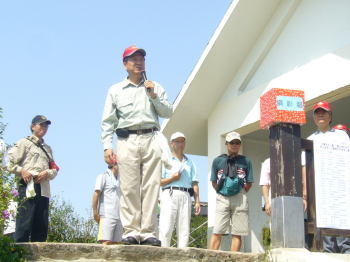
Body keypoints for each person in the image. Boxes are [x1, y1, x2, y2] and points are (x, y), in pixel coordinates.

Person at [101, 45, 173, 246]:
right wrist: (107, 146)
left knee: (151, 186)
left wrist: (153, 96)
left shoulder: (154, 86)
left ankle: (148, 232)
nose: (139, 62)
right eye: (133, 59)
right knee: (129, 186)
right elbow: (108, 121)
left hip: (151, 138)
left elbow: (168, 112)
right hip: (127, 139)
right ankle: (131, 231)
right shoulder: (115, 90)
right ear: (125, 64)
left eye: (141, 59)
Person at [302, 101, 350, 254]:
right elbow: (304, 167)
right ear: (314, 117)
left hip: (341, 188)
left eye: (324, 112)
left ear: (330, 117)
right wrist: (305, 192)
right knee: (324, 229)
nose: (320, 115)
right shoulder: (310, 139)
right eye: (317, 112)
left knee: (343, 224)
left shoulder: (342, 135)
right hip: (320, 191)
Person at [8, 115, 58, 242]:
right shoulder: (24, 142)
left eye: (46, 125)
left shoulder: (47, 149)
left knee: (41, 225)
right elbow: (7, 162)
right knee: (24, 222)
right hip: (27, 186)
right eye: (41, 124)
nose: (44, 128)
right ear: (33, 126)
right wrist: (22, 171)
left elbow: (55, 169)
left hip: (44, 188)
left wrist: (46, 173)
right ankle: (20, 255)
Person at [209, 132, 254, 252]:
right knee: (217, 229)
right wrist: (222, 192)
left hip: (240, 197)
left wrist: (241, 192)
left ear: (240, 144)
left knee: (237, 232)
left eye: (237, 143)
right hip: (222, 197)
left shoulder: (246, 161)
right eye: (231, 143)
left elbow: (249, 182)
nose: (234, 145)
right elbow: (213, 180)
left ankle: (234, 258)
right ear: (226, 144)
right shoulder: (218, 160)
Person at [159, 132, 200, 248]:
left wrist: (197, 201)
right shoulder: (166, 160)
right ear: (171, 143)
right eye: (177, 141)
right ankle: (163, 255)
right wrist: (173, 178)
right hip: (169, 193)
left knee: (184, 229)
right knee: (166, 227)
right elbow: (159, 182)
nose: (180, 143)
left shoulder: (190, 162)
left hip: (186, 195)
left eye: (182, 141)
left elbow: (195, 182)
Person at [93, 157, 123, 245]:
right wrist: (95, 212)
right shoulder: (103, 176)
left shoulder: (121, 179)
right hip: (106, 215)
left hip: (119, 215)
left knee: (115, 243)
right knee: (106, 242)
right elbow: (96, 195)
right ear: (114, 165)